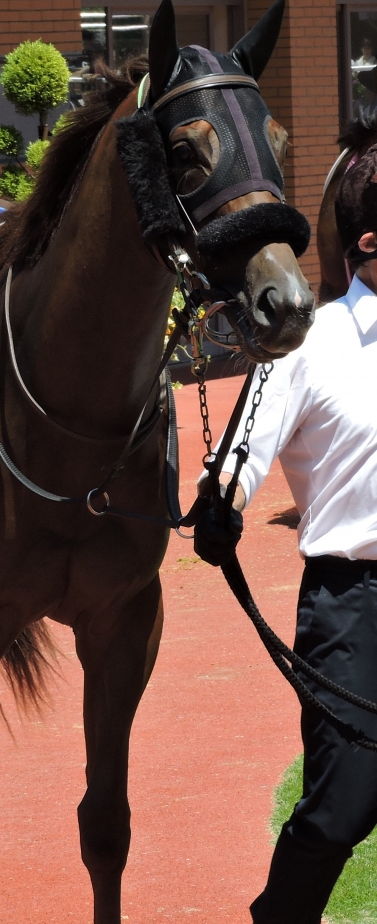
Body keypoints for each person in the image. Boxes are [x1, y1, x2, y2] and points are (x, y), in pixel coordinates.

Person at [194, 143, 377, 923]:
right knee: (344, 801)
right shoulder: (306, 343)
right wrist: (223, 499)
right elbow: (239, 459)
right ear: (370, 244)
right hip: (351, 603)